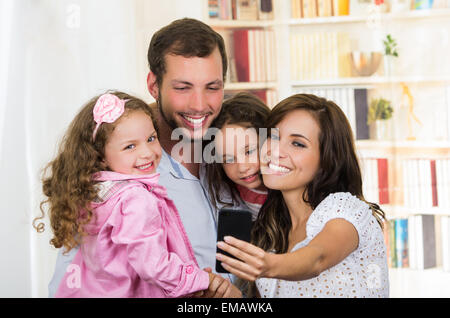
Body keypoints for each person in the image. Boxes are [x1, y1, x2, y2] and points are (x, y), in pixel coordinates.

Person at [47, 18, 241, 298]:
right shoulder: (118, 174)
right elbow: (73, 286)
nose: (200, 105)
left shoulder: (234, 149)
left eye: (212, 87)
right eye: (183, 87)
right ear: (153, 84)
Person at [35, 91, 231, 297]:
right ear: (100, 156)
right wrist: (198, 279)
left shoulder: (93, 193)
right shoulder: (135, 199)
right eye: (130, 146)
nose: (147, 152)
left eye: (151, 138)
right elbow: (153, 264)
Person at [215, 94, 389, 298]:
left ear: (326, 159)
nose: (277, 151)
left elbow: (318, 258)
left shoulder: (346, 210)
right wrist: (232, 297)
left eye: (297, 143)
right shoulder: (271, 234)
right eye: (274, 137)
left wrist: (268, 265)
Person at [205, 92, 270, 220]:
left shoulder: (289, 185)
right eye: (228, 159)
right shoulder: (234, 189)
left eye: (249, 152)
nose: (242, 167)